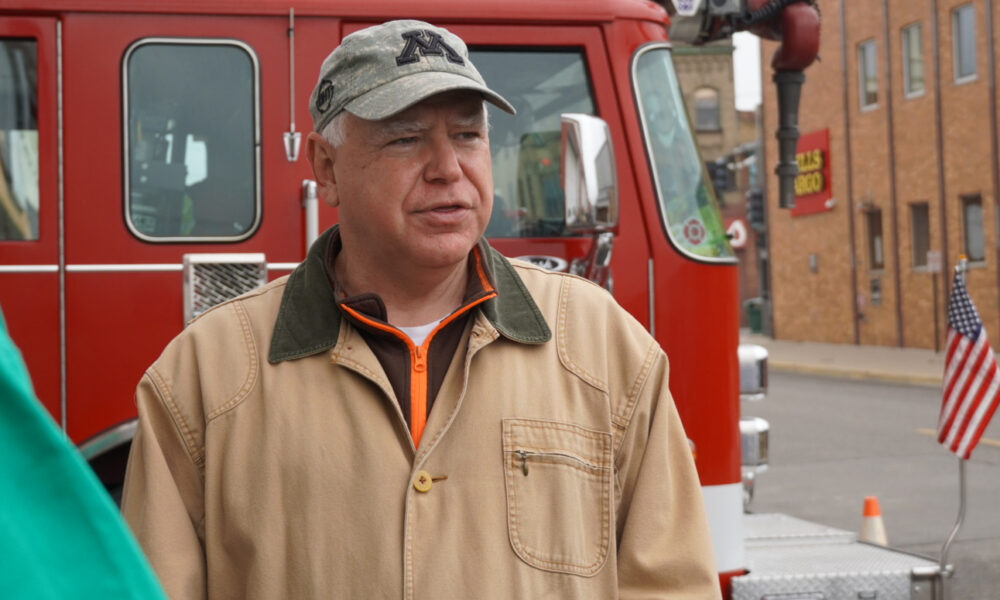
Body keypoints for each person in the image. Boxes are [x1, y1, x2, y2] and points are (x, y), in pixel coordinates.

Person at [121, 19, 721, 599]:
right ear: (325, 169)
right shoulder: (205, 375)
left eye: (467, 135)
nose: (448, 169)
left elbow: (670, 587)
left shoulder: (606, 348)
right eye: (406, 138)